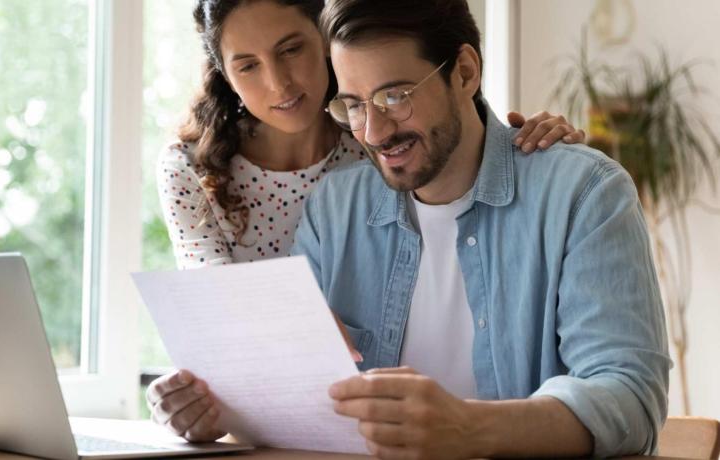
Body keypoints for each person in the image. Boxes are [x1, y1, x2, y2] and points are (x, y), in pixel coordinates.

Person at [147, 0, 589, 448]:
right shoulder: (197, 169)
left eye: (291, 50)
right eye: (247, 66)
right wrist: (195, 397)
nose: (278, 83)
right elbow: (215, 325)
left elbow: (451, 123)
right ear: (224, 74)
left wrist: (528, 147)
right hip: (279, 397)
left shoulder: (373, 148)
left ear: (323, 43)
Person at [283, 0, 667, 458]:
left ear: (465, 72)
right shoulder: (333, 211)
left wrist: (468, 428)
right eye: (354, 105)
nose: (373, 132)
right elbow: (286, 389)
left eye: (395, 96)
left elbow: (629, 399)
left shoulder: (582, 194)